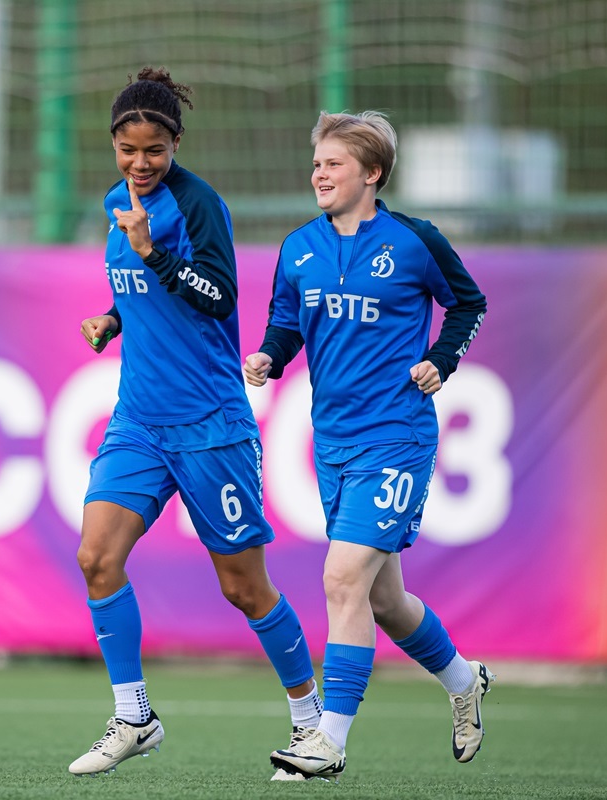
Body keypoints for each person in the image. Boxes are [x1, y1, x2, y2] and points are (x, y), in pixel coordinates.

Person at [68, 67, 321, 778]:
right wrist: (112, 319)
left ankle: (310, 727)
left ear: (175, 142)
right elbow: (143, 292)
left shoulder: (198, 204)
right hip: (140, 422)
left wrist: (154, 250)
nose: (140, 164)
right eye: (127, 150)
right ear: (113, 146)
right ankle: (133, 717)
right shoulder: (118, 202)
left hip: (211, 425)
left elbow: (215, 297)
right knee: (96, 557)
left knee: (243, 586)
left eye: (154, 150)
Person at [243, 110, 493, 782]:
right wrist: (270, 355)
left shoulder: (415, 241)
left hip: (397, 436)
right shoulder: (298, 247)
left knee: (341, 578)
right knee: (383, 602)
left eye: (333, 163)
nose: (318, 173)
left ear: (372, 173)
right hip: (334, 443)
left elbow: (468, 304)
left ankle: (328, 740)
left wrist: (441, 358)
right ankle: (465, 682)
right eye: (317, 161)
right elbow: (287, 323)